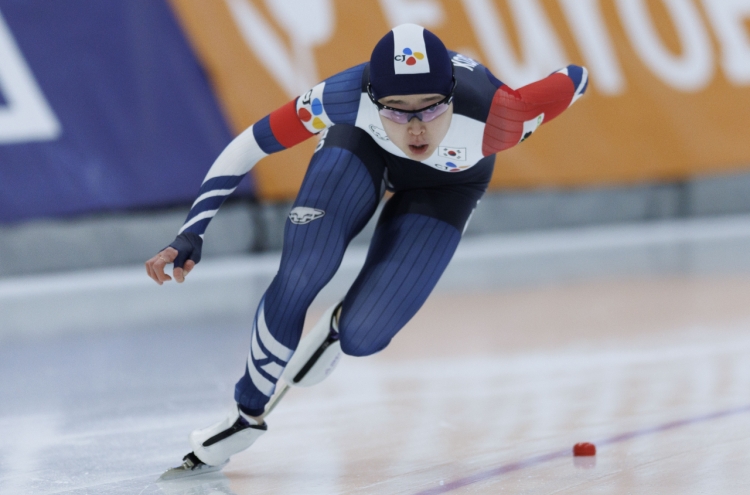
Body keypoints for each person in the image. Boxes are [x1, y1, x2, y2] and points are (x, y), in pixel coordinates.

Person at [147, 23, 588, 475]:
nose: (416, 128)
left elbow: (576, 77)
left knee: (364, 336)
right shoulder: (342, 96)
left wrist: (573, 81)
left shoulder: (501, 117)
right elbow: (249, 145)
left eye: (431, 109)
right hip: (361, 148)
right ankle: (245, 414)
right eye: (397, 111)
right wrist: (191, 232)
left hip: (448, 186)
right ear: (374, 97)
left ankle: (339, 328)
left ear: (452, 95)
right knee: (305, 267)